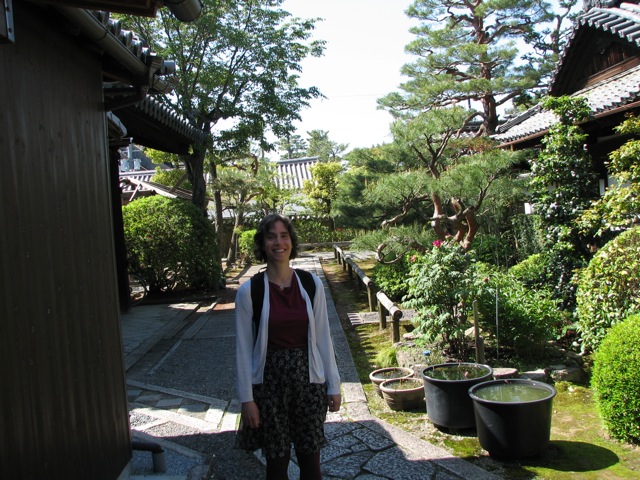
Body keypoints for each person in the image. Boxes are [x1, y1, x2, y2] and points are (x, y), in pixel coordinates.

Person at [235, 214, 342, 480]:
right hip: (269, 389)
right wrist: (247, 399)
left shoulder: (310, 284)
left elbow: (323, 338)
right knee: (277, 465)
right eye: (271, 236)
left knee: (311, 464)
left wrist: (334, 385)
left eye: (284, 236)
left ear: (291, 242)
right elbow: (242, 350)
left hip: (309, 384)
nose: (278, 242)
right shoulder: (250, 291)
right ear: (262, 243)